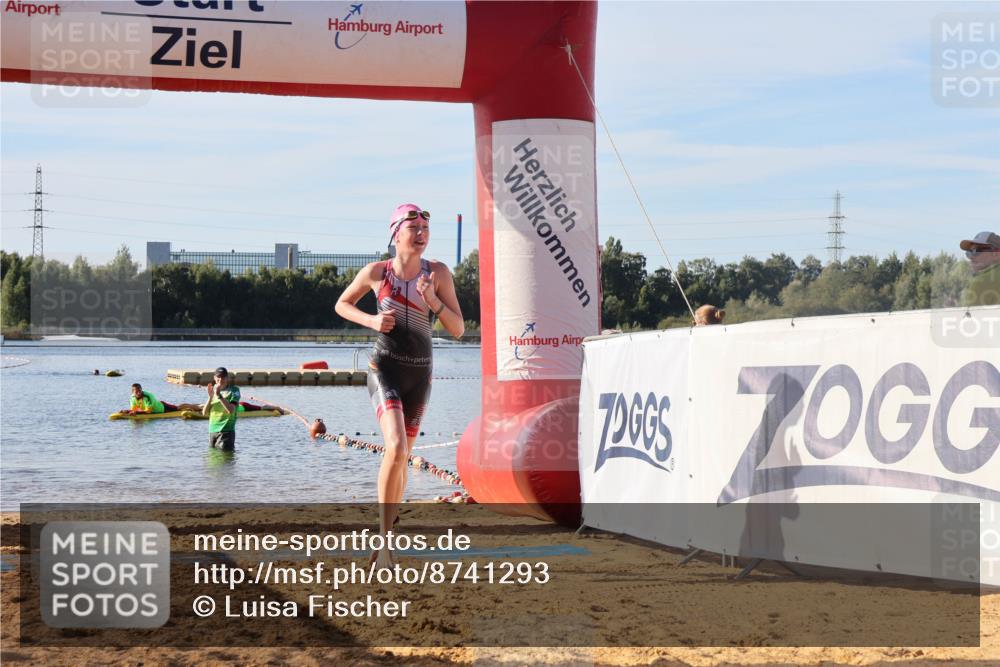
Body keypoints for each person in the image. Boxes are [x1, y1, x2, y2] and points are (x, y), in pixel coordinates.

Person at [335, 203, 464, 568]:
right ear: (396, 233)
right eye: (414, 227)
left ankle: (386, 538)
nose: (421, 233)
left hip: (419, 376)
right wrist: (372, 321)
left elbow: (459, 329)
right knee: (394, 446)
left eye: (426, 227)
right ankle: (384, 541)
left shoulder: (438, 273)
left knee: (403, 455)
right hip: (385, 370)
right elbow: (342, 304)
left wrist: (433, 300)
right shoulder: (377, 272)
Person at [202, 366, 241, 450]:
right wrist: (210, 397)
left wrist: (218, 395)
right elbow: (204, 413)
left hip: (226, 431)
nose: (220, 379)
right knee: (213, 460)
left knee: (224, 460)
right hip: (212, 431)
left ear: (227, 378)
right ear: (214, 378)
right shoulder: (213, 390)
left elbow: (231, 410)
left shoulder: (234, 390)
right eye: (218, 377)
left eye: (223, 377)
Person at [960, 231, 1000, 307]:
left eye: (976, 251)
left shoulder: (981, 282)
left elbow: (969, 317)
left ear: (996, 253)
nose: (971, 257)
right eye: (969, 252)